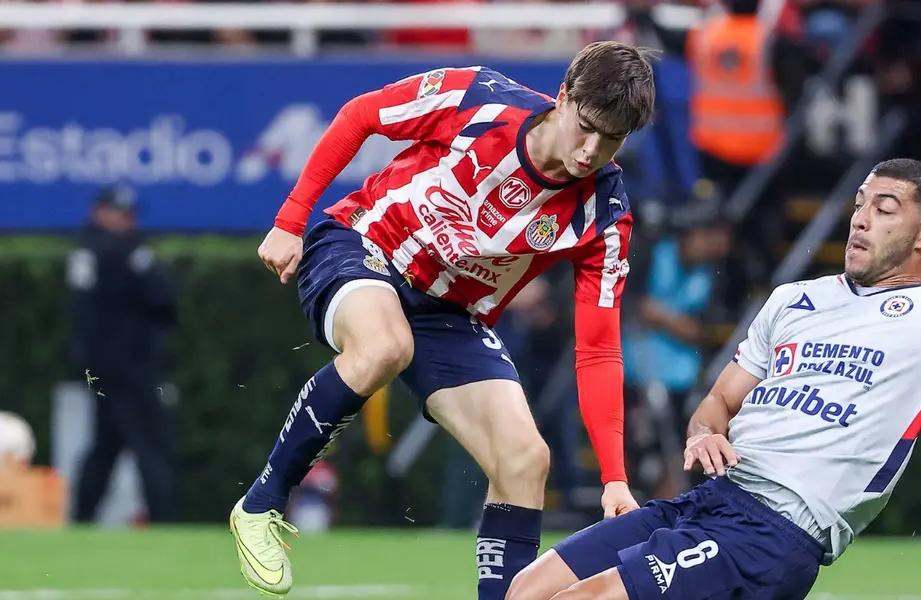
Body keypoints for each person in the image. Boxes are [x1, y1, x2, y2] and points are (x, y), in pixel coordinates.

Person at [505, 160, 921, 600]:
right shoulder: (795, 299)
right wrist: (704, 431)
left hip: (772, 534)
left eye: (885, 209)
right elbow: (720, 400)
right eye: (860, 204)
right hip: (712, 501)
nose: (861, 218)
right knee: (526, 590)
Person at [228, 41, 657, 599]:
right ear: (563, 96)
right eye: (587, 127)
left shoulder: (605, 213)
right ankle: (261, 504)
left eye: (613, 140)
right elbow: (361, 114)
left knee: (526, 459)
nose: (591, 151)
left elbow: (598, 349)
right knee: (384, 346)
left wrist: (615, 477)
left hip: (449, 312)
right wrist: (290, 220)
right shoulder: (477, 98)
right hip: (366, 245)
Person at [67, 185, 179, 524]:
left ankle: (84, 518)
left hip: (137, 366)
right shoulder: (95, 252)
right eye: (120, 213)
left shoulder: (131, 250)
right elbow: (87, 313)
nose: (127, 221)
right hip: (117, 370)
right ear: (99, 212)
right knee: (146, 445)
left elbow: (167, 300)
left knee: (108, 446)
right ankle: (163, 519)